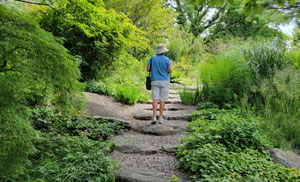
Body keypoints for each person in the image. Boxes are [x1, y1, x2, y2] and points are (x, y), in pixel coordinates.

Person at [147, 44, 172, 124]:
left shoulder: (152, 58)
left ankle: (154, 116)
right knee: (162, 99)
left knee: (155, 99)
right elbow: (170, 70)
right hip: (165, 81)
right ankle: (161, 117)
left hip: (154, 80)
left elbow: (148, 69)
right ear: (164, 51)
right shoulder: (167, 59)